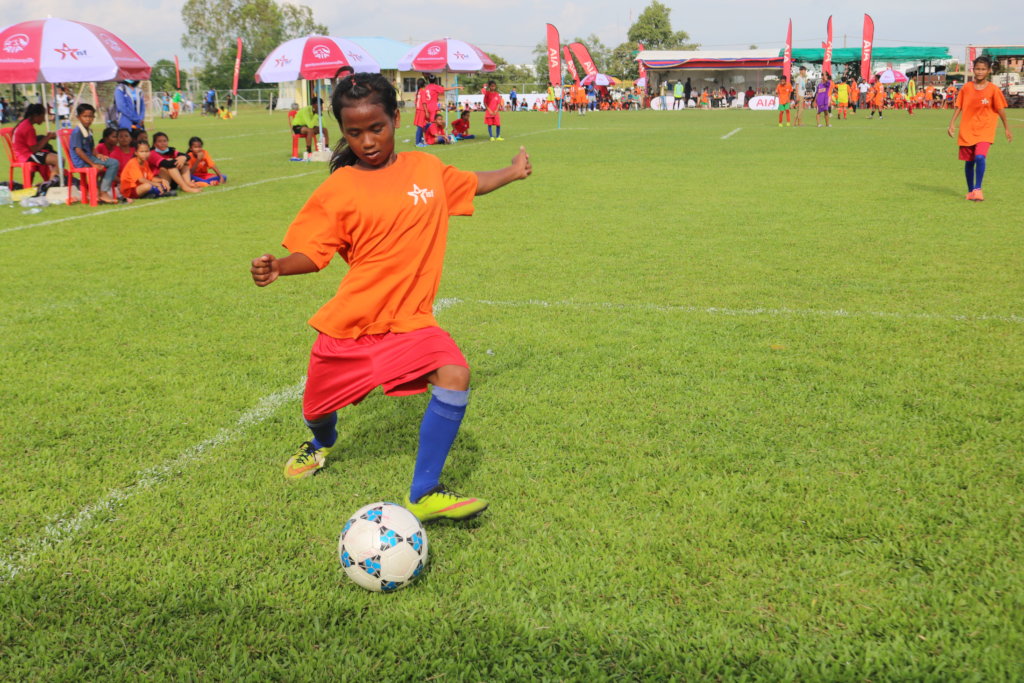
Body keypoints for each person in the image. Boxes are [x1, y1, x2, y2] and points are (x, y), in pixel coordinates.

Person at [249, 73, 532, 523]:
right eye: (354, 132)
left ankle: (425, 491)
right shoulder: (338, 188)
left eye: (376, 128)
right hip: (352, 324)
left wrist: (513, 172)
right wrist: (281, 266)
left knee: (456, 374)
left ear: (396, 119)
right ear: (343, 130)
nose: (367, 141)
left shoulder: (425, 169)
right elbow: (314, 251)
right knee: (317, 411)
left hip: (411, 320)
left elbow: (470, 182)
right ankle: (320, 443)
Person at [947, 56, 1012, 201]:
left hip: (985, 129)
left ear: (989, 71)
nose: (980, 72)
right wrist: (952, 123)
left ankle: (978, 188)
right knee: (969, 162)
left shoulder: (994, 90)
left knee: (980, 156)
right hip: (967, 129)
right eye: (977, 69)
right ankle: (971, 191)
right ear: (973, 70)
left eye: (983, 69)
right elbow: (959, 106)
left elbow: (1001, 110)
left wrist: (1007, 128)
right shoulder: (966, 88)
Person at [69, 103, 120, 204]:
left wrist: (98, 155)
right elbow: (78, 151)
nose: (88, 119)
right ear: (78, 117)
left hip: (90, 158)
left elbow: (91, 147)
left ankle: (99, 191)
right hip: (81, 162)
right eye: (85, 116)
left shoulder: (89, 130)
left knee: (113, 163)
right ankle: (103, 192)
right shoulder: (77, 132)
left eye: (90, 116)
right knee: (113, 163)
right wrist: (93, 164)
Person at [11, 103, 58, 178]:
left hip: (23, 154)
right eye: (43, 116)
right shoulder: (28, 127)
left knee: (51, 155)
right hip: (25, 155)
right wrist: (48, 137)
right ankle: (51, 183)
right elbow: (34, 149)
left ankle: (50, 181)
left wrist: (46, 137)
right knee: (58, 160)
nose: (43, 119)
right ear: (36, 115)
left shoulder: (25, 124)